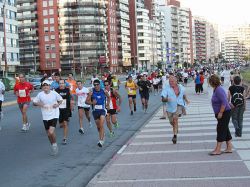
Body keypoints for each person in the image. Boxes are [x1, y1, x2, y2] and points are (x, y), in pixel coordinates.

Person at [33, 80, 63, 155]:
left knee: (51, 132)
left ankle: (55, 144)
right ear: (42, 87)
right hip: (45, 116)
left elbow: (61, 100)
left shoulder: (54, 93)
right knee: (49, 134)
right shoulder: (40, 94)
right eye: (44, 85)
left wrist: (57, 105)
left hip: (54, 114)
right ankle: (53, 145)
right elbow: (34, 102)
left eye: (47, 85)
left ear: (50, 86)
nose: (45, 87)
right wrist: (38, 103)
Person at [161, 75, 190, 144]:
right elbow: (162, 98)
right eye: (170, 81)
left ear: (176, 81)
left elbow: (183, 94)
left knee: (175, 119)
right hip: (170, 107)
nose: (171, 83)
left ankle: (175, 136)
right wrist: (166, 99)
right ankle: (176, 128)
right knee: (172, 122)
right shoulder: (166, 88)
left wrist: (186, 100)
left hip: (179, 105)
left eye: (172, 81)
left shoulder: (181, 87)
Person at [209, 74, 232, 155]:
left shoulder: (219, 90)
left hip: (224, 113)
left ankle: (218, 149)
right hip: (222, 113)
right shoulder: (216, 89)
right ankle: (229, 147)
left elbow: (224, 102)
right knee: (225, 129)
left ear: (212, 82)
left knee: (220, 129)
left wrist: (221, 112)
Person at [85, 79, 110, 147]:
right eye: (94, 85)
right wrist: (92, 103)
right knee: (98, 127)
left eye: (97, 85)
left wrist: (107, 104)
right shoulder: (91, 92)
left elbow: (108, 97)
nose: (96, 86)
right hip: (95, 111)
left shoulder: (104, 91)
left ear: (99, 85)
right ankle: (102, 135)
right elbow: (86, 102)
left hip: (102, 110)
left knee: (101, 125)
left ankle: (101, 140)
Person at [55, 79, 72, 145]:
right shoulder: (56, 90)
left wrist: (71, 106)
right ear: (58, 84)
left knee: (65, 123)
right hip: (58, 109)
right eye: (60, 83)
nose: (61, 84)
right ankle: (62, 122)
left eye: (62, 83)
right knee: (61, 124)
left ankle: (64, 138)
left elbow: (70, 97)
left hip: (66, 109)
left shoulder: (67, 90)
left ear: (65, 84)